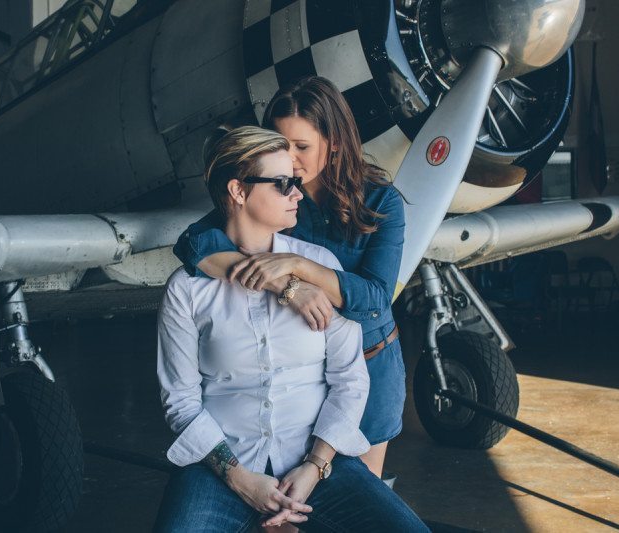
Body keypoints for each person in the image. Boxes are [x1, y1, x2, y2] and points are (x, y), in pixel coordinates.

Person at [155, 126, 427, 531]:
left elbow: (349, 379)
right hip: (222, 468)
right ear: (238, 191)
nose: (298, 193)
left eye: (296, 183)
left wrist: (315, 467)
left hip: (314, 462)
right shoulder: (187, 289)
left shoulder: (319, 265)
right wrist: (239, 478)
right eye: (284, 184)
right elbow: (180, 401)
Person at [173, 76, 406, 478]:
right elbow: (194, 243)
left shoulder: (382, 201)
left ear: (333, 142)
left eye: (302, 146)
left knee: (366, 500)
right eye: (281, 143)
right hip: (300, 380)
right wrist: (286, 287)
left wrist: (299, 268)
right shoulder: (271, 198)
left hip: (371, 365)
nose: (290, 157)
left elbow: (376, 299)